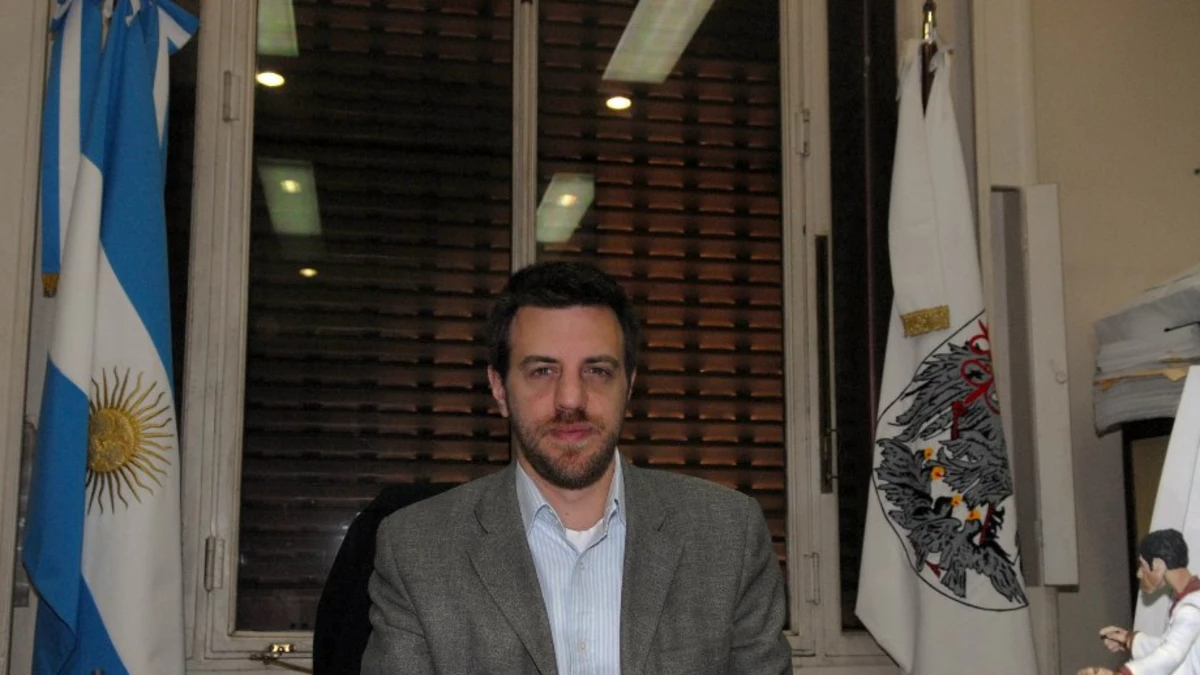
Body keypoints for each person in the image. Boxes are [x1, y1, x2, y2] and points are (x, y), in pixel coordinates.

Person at [360, 261, 791, 675]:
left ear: (629, 386)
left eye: (597, 370)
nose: (571, 398)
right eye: (543, 370)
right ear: (499, 388)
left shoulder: (729, 537)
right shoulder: (416, 551)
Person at [1078, 529, 1200, 675]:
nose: (1139, 573)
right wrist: (1129, 640)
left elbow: (1171, 655)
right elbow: (1174, 647)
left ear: (1158, 564)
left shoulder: (1191, 608)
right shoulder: (1188, 602)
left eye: (1142, 565)